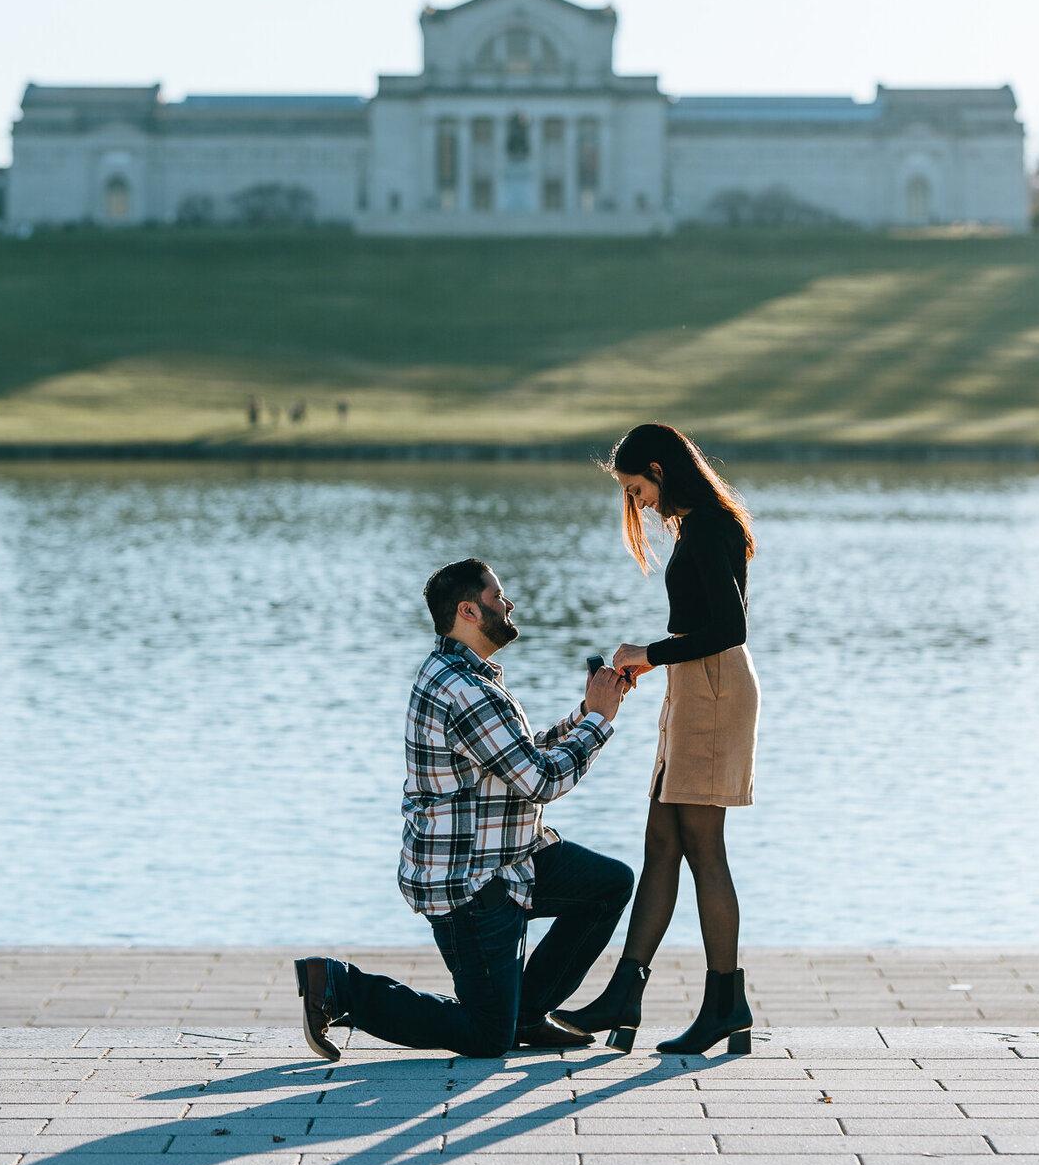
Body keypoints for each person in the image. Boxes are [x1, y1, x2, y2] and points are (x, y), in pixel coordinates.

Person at [294, 557, 633, 1060]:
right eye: (499, 596)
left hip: (508, 858)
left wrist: (583, 715)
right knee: (484, 1036)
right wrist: (600, 722)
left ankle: (525, 1013)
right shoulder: (465, 689)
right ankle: (340, 987)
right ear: (469, 610)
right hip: (468, 885)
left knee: (608, 884)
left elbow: (515, 759)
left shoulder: (460, 673)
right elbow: (540, 780)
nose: (509, 603)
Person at [554, 423, 760, 1056]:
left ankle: (726, 1003)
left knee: (703, 847)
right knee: (661, 842)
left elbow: (729, 628)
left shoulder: (706, 527)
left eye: (636, 486)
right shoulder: (698, 525)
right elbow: (706, 626)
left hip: (715, 690)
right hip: (694, 688)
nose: (637, 501)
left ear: (659, 469)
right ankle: (625, 993)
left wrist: (651, 650)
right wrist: (652, 661)